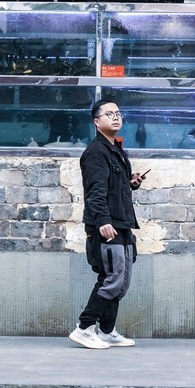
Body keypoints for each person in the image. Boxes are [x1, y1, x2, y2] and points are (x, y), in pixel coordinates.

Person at [69, 99, 146, 350]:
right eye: (109, 114)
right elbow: (95, 191)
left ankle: (107, 330)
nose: (116, 117)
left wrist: (130, 183)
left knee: (121, 280)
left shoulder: (115, 150)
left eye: (118, 113)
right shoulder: (95, 152)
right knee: (111, 278)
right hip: (107, 225)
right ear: (96, 121)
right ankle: (84, 327)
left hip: (121, 223)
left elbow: (113, 187)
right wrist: (102, 220)